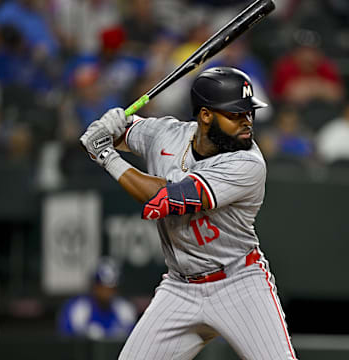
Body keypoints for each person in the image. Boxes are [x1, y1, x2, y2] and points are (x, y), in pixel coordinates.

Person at [80, 67, 298, 359]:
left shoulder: (248, 163)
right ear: (206, 115)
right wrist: (110, 125)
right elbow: (121, 133)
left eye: (249, 113)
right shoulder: (166, 135)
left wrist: (106, 157)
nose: (247, 122)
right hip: (180, 287)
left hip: (238, 282)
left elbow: (164, 197)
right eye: (235, 114)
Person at [57, 257, 137, 340]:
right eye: (103, 287)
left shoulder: (125, 310)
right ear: (94, 286)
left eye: (111, 288)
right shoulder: (78, 308)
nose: (107, 293)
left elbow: (133, 341)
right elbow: (68, 342)